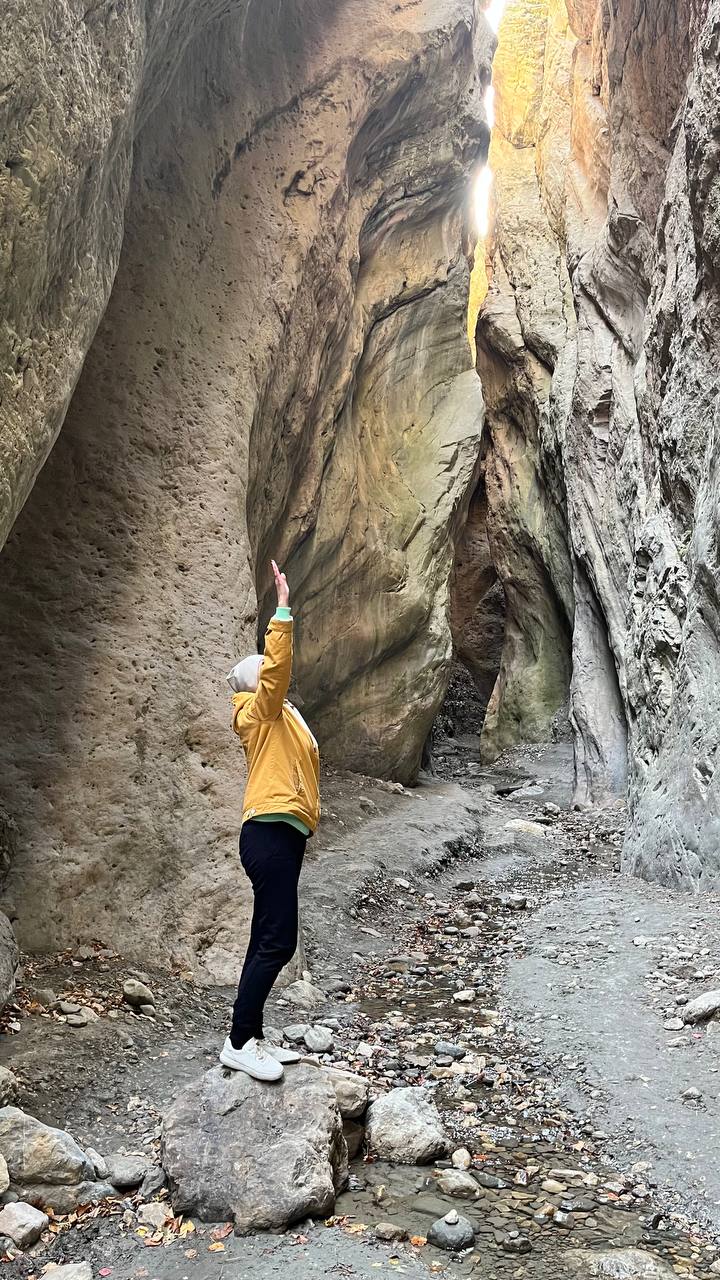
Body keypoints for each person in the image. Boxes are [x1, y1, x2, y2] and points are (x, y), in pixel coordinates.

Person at [220, 560, 321, 1081]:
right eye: (264, 668)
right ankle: (239, 1042)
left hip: (283, 833)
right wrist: (282, 612)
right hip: (268, 833)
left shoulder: (279, 719)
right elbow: (276, 677)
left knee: (265, 937)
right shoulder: (256, 711)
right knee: (279, 941)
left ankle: (249, 1034)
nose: (272, 670)